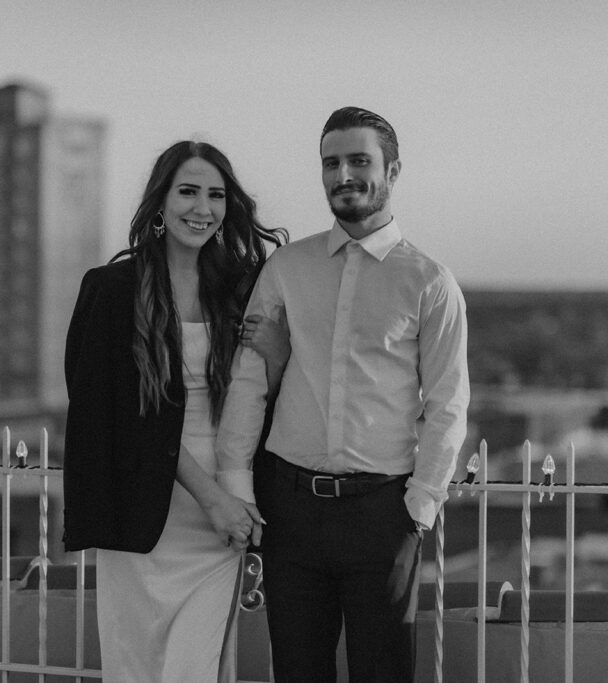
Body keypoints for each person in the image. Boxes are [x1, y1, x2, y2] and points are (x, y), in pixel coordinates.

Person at [218, 107, 470, 682]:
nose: (343, 175)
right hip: (290, 509)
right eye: (331, 163)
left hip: (382, 512)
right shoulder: (286, 267)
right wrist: (237, 482)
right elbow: (249, 382)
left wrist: (419, 507)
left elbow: (449, 404)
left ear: (393, 169)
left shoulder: (430, 282)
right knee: (297, 671)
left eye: (359, 160)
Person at [61, 140, 287, 683]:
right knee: (134, 669)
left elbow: (262, 396)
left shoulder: (241, 287)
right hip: (144, 505)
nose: (201, 208)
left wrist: (277, 357)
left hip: (226, 501)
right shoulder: (111, 290)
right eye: (187, 191)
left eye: (215, 195)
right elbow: (106, 413)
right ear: (160, 202)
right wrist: (211, 500)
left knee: (194, 669)